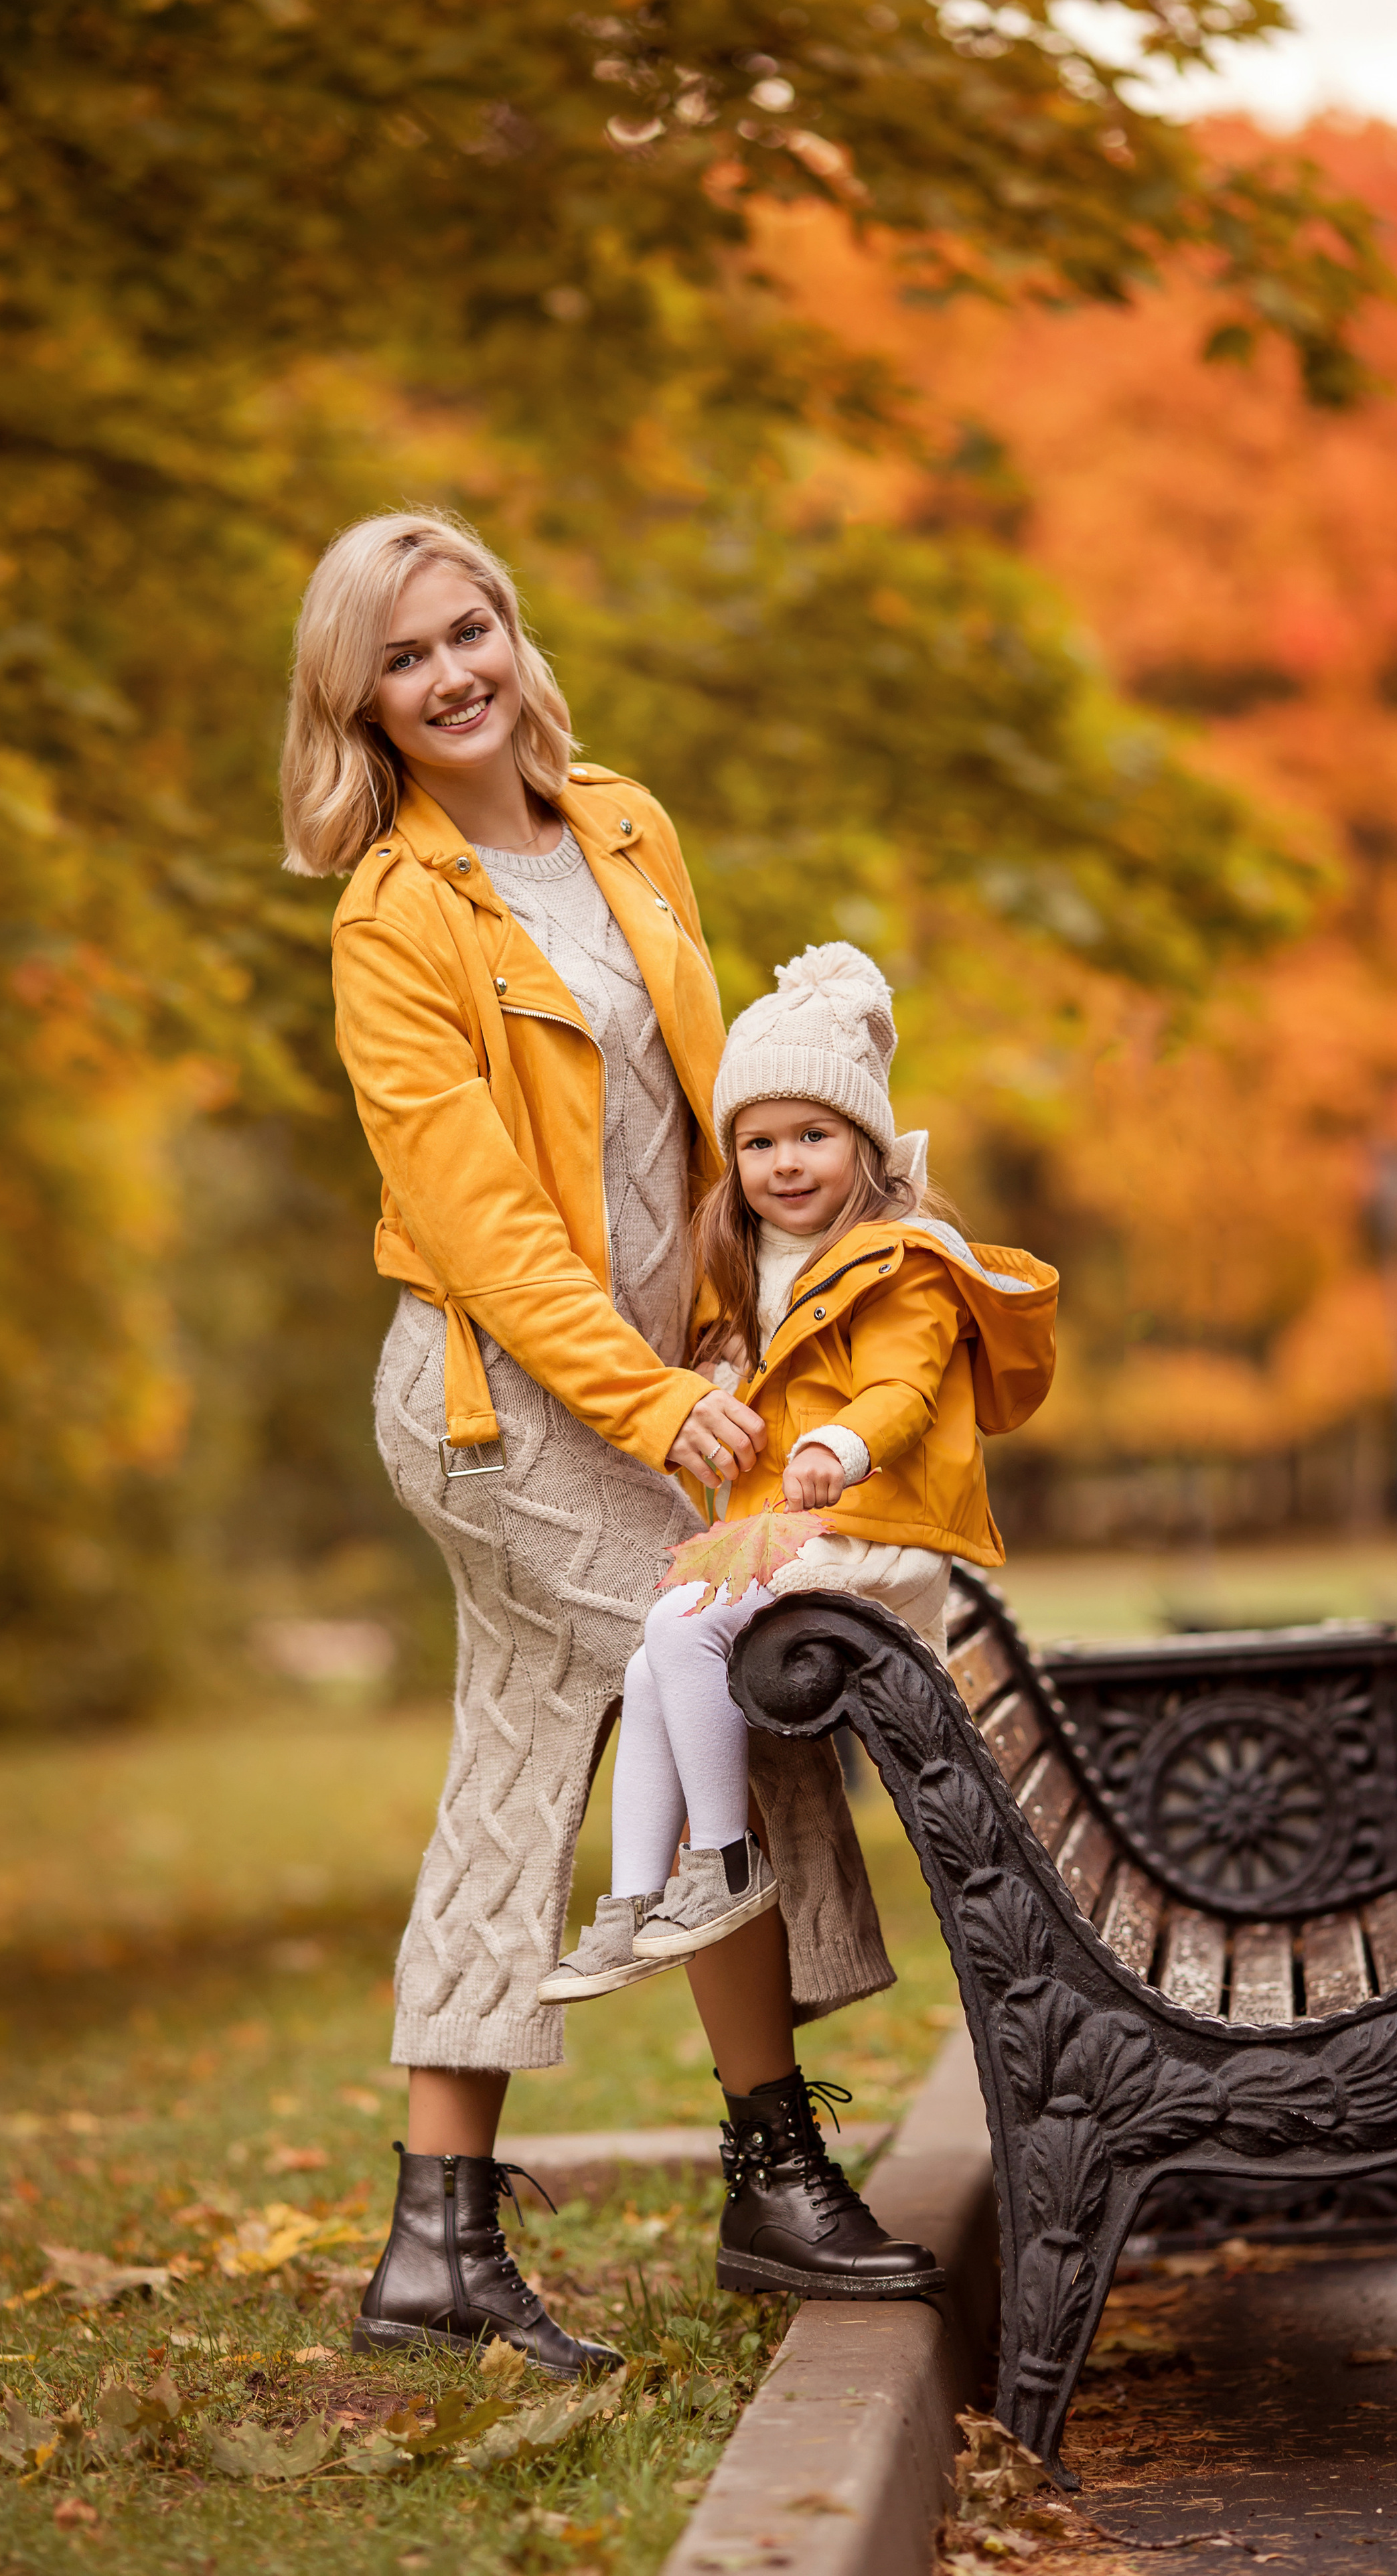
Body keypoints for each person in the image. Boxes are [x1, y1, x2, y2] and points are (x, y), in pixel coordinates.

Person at [281, 511, 899, 2375]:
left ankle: (438, 2242)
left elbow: (708, 1111)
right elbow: (480, 1221)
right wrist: (647, 1397)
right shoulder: (391, 920)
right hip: (495, 1409)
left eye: (471, 630)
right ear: (361, 700)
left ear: (512, 633)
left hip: (662, 1377)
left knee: (527, 1751)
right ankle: (771, 2170)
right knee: (711, 1656)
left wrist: (745, 1293)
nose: (454, 673)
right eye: (407, 657)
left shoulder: (623, 824)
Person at [540, 941, 1059, 2298]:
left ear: (866, 1146)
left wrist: (832, 1443)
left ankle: (714, 1866)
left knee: (688, 1627)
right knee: (663, 1635)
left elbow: (894, 1391)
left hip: (883, 1538)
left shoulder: (903, 1260)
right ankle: (644, 1893)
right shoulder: (757, 1265)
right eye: (756, 1140)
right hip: (812, 1537)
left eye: (811, 1135)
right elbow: (751, 1400)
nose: (780, 1164)